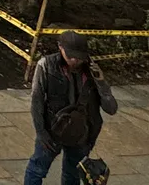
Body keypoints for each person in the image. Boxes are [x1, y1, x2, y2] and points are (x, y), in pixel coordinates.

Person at [26, 30, 117, 185]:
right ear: (60, 48)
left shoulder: (92, 70)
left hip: (82, 134)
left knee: (72, 175)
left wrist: (101, 83)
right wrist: (41, 132)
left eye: (79, 56)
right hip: (53, 128)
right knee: (36, 170)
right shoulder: (46, 65)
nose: (75, 60)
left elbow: (111, 108)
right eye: (70, 55)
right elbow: (37, 101)